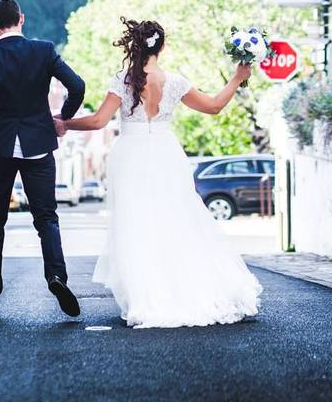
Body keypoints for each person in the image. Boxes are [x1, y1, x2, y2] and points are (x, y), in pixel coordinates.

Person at [56, 17, 262, 328]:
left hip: (131, 156)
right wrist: (237, 77)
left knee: (137, 224)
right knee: (176, 218)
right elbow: (214, 106)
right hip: (166, 152)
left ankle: (147, 295)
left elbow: (99, 122)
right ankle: (182, 288)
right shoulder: (176, 81)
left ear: (133, 46)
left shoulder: (123, 80)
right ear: (161, 47)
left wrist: (65, 123)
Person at [0, 0, 85, 318]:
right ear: (22, 19)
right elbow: (77, 85)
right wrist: (63, 118)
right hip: (39, 144)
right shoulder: (43, 51)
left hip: (1, 147)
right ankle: (56, 276)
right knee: (46, 218)